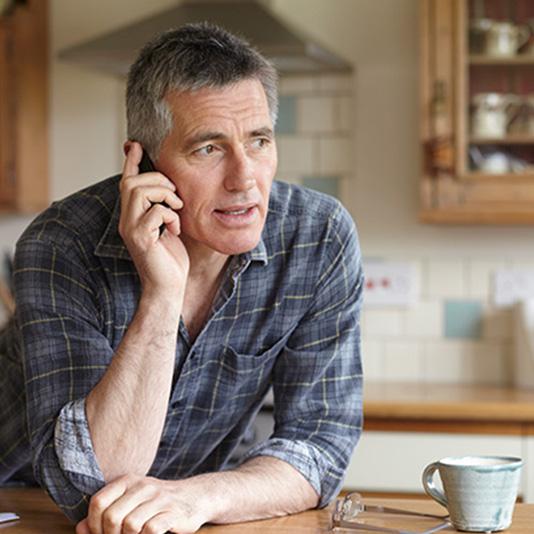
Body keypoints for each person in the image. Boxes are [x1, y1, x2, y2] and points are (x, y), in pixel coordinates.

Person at [0, 23, 363, 534]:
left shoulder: (317, 237)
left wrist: (202, 497)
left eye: (259, 141)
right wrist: (162, 293)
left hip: (184, 513)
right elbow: (88, 487)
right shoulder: (61, 244)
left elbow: (322, 445)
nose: (244, 179)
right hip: (27, 505)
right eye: (208, 149)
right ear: (145, 162)